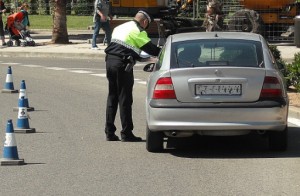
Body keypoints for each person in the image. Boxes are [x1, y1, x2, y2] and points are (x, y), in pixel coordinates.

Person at [104, 10, 161, 142]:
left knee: (112, 97)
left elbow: (126, 47)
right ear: (145, 22)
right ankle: (126, 132)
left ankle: (109, 132)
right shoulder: (138, 31)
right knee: (125, 98)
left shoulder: (120, 27)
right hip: (122, 64)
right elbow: (152, 50)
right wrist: (165, 51)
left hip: (110, 61)